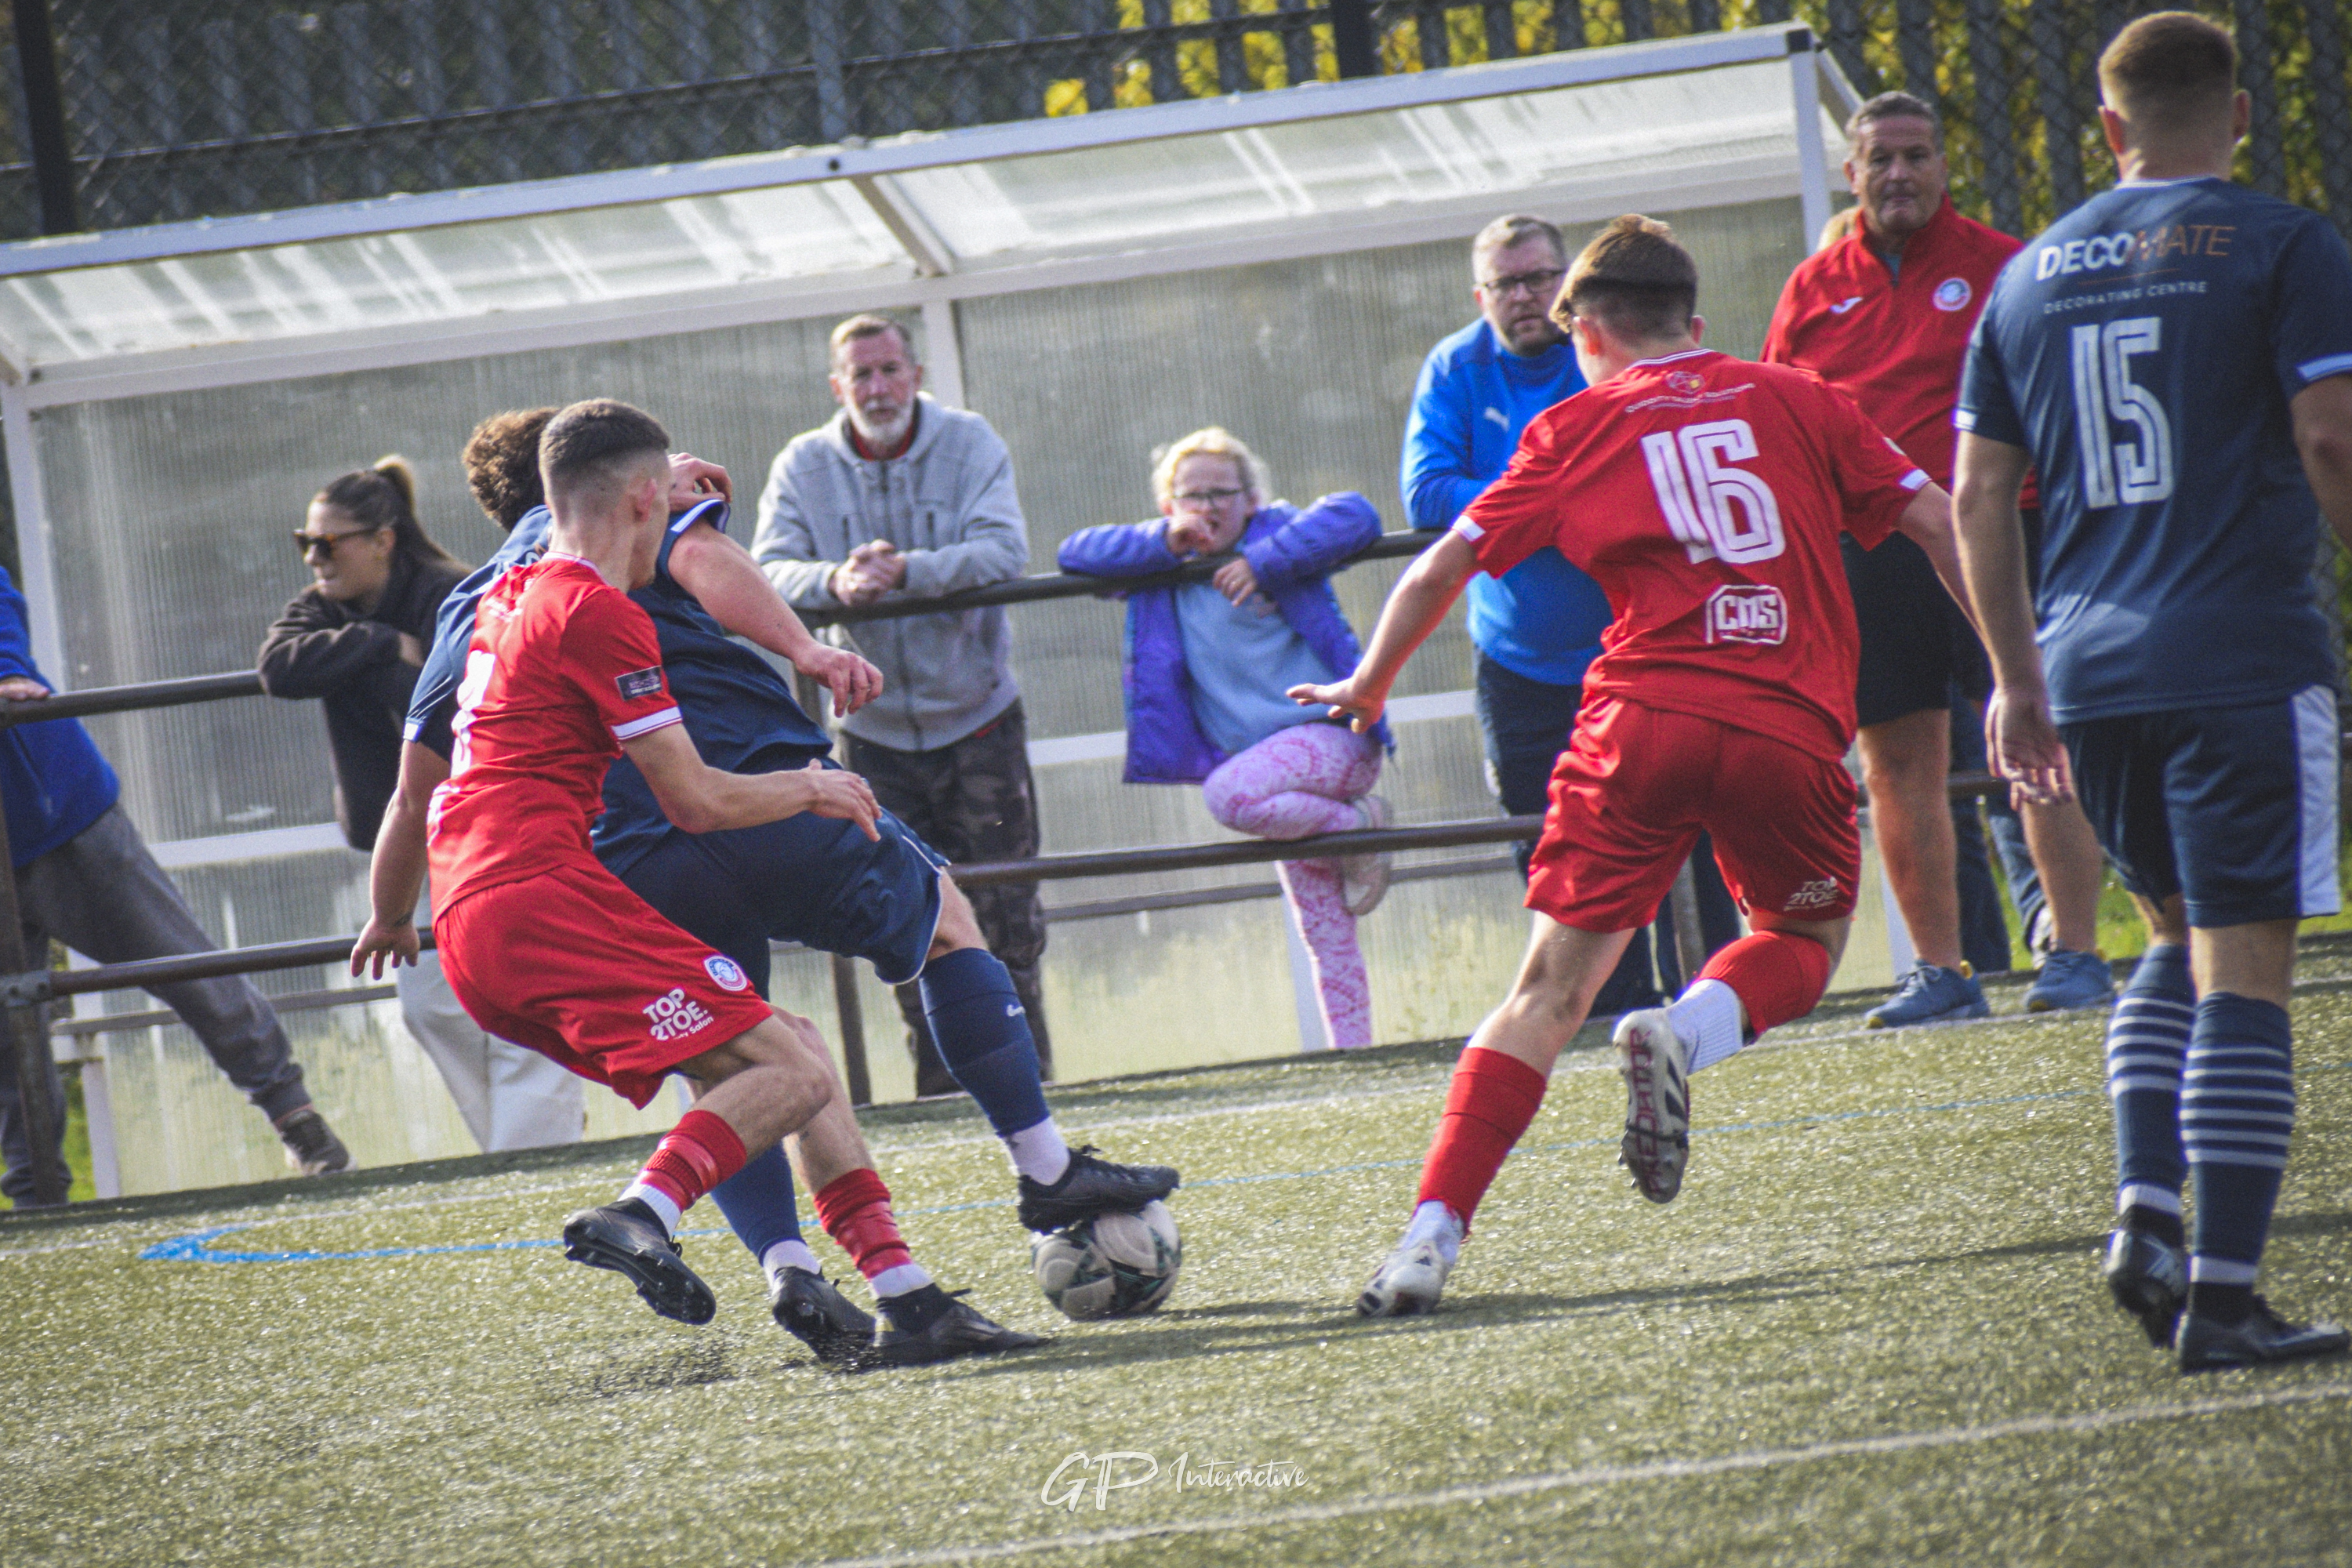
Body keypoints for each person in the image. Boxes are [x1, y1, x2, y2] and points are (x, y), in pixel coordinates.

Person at [363, 406, 1174, 1366]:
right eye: (664, 493)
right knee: (891, 977)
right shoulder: (598, 598)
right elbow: (699, 785)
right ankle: (654, 1206)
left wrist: (388, 912)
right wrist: (812, 705)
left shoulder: (486, 599)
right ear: (640, 495)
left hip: (516, 899)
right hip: (589, 872)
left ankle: (886, 1291)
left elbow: (414, 790)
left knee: (765, 1056)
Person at [1303, 216, 1969, 1317]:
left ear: (1587, 331)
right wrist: (2018, 665)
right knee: (1800, 940)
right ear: (1694, 324)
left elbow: (1441, 565)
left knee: (1545, 993)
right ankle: (1685, 1031)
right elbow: (1942, 520)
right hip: (1782, 724)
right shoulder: (1798, 395)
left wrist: (1368, 686)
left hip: (1636, 723)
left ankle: (1426, 1241)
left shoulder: (1573, 424)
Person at [1954, 12, 2352, 1371]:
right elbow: (2331, 433)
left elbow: (1977, 495)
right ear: (2237, 116)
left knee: (2171, 943)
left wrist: (2014, 679)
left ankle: (2143, 1217)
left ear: (2109, 131)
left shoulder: (2027, 275)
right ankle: (2225, 1298)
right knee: (2248, 961)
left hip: (2087, 663)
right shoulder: (2285, 243)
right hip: (2237, 648)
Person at [1762, 91, 2114, 1028]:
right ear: (1854, 172)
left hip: (2002, 532)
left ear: (1945, 166)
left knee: (2037, 739)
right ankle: (1940, 972)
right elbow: (1786, 424)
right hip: (1873, 550)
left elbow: (2066, 408)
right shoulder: (1811, 288)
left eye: (1917, 155)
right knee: (1896, 764)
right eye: (1880, 158)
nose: (1900, 174)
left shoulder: (2007, 267)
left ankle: (2076, 953)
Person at [1403, 213, 1737, 1014]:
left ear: (1571, 281)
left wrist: (1548, 498)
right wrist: (1546, 501)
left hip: (1643, 643)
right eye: (1507, 282)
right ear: (1480, 293)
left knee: (1684, 824)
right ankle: (1602, 1007)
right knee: (1554, 842)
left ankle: (1715, 998)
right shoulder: (1454, 366)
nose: (1527, 296)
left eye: (1541, 277)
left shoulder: (1606, 347)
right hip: (1519, 657)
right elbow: (1425, 492)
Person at [753, 314, 1051, 1098]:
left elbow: (1004, 549)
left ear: (915, 374)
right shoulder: (803, 463)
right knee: (905, 916)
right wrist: (836, 584)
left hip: (978, 714)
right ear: (837, 386)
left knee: (1005, 911)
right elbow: (764, 570)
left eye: (890, 370)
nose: (878, 388)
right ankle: (940, 1093)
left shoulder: (971, 441)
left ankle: (1035, 1085)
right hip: (870, 731)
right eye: (862, 375)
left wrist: (905, 570)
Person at [259, 453, 583, 1152]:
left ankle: (530, 1153)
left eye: (328, 543)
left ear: (383, 540)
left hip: (491, 827)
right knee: (431, 1007)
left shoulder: (450, 591)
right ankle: (523, 1145)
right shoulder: (327, 610)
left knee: (518, 988)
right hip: (409, 840)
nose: (314, 559)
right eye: (304, 543)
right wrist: (379, 643)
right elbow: (277, 667)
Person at [0, 575, 350, 1203]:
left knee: (185, 962)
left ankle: (293, 1114)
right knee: (6, 1037)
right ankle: (36, 1196)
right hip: (44, 809)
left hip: (59, 812)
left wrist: (3, 667)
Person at [1058, 429, 1393, 1049]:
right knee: (1323, 930)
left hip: (1333, 741)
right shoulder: (1160, 565)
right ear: (1168, 507)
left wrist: (1262, 564)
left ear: (1251, 498)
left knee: (1226, 796)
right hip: (1268, 775)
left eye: (1222, 492)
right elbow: (1075, 552)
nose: (1208, 507)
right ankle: (1357, 1057)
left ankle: (1354, 827)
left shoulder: (1280, 537)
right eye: (1192, 496)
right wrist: (1161, 544)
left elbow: (1357, 515)